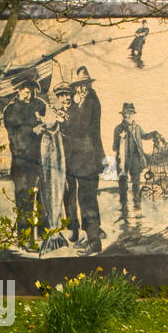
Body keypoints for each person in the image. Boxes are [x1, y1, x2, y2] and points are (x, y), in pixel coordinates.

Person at [64, 69, 105, 253]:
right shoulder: (83, 102)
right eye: (77, 86)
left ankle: (94, 242)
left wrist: (65, 120)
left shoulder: (90, 101)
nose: (80, 88)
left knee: (87, 200)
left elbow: (80, 127)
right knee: (86, 199)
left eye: (83, 84)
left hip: (88, 161)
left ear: (89, 84)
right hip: (83, 162)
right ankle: (91, 235)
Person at [2, 75, 46, 246]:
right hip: (20, 163)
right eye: (27, 92)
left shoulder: (39, 105)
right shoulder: (11, 111)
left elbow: (45, 122)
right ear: (19, 91)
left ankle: (44, 233)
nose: (29, 96)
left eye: (32, 92)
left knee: (41, 198)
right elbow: (15, 136)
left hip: (37, 161)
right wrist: (33, 130)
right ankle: (25, 238)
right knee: (24, 201)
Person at [35, 83, 72, 253]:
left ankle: (56, 232)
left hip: (60, 165)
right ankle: (51, 232)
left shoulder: (63, 115)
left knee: (59, 191)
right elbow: (48, 124)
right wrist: (44, 123)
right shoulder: (47, 119)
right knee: (46, 192)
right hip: (45, 164)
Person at [112, 103, 159, 212]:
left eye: (129, 114)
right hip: (123, 159)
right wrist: (120, 139)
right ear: (122, 115)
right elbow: (114, 147)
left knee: (136, 182)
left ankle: (137, 204)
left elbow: (145, 136)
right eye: (125, 114)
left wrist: (153, 134)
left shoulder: (137, 128)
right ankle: (123, 205)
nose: (127, 116)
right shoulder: (118, 129)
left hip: (135, 159)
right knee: (123, 182)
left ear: (133, 115)